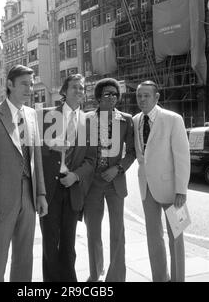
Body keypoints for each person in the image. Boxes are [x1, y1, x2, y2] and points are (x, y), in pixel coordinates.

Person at [0, 65, 48, 282]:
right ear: (10, 84)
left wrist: (41, 194)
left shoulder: (32, 114)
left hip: (28, 196)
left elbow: (36, 159)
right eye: (25, 83)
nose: (30, 88)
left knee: (25, 257)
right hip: (1, 199)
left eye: (31, 84)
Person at [39, 74, 96, 282]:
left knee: (69, 246)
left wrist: (76, 176)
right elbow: (31, 147)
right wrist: (49, 146)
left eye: (82, 88)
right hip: (50, 189)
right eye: (75, 87)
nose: (79, 91)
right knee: (50, 244)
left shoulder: (89, 121)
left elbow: (92, 159)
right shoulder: (47, 116)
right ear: (64, 91)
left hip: (72, 189)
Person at [133, 80, 190, 282]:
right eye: (139, 95)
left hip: (172, 190)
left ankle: (177, 279)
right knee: (153, 238)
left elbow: (182, 157)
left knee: (177, 238)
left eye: (146, 95)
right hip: (146, 188)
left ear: (157, 97)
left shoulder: (173, 119)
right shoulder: (135, 120)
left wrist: (181, 190)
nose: (141, 99)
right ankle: (160, 278)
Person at [84, 78, 135, 282]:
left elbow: (131, 152)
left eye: (115, 94)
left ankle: (116, 278)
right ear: (98, 97)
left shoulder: (126, 119)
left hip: (115, 182)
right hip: (92, 183)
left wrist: (118, 168)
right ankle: (95, 274)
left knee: (118, 233)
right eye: (107, 94)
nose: (112, 97)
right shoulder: (86, 119)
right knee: (93, 232)